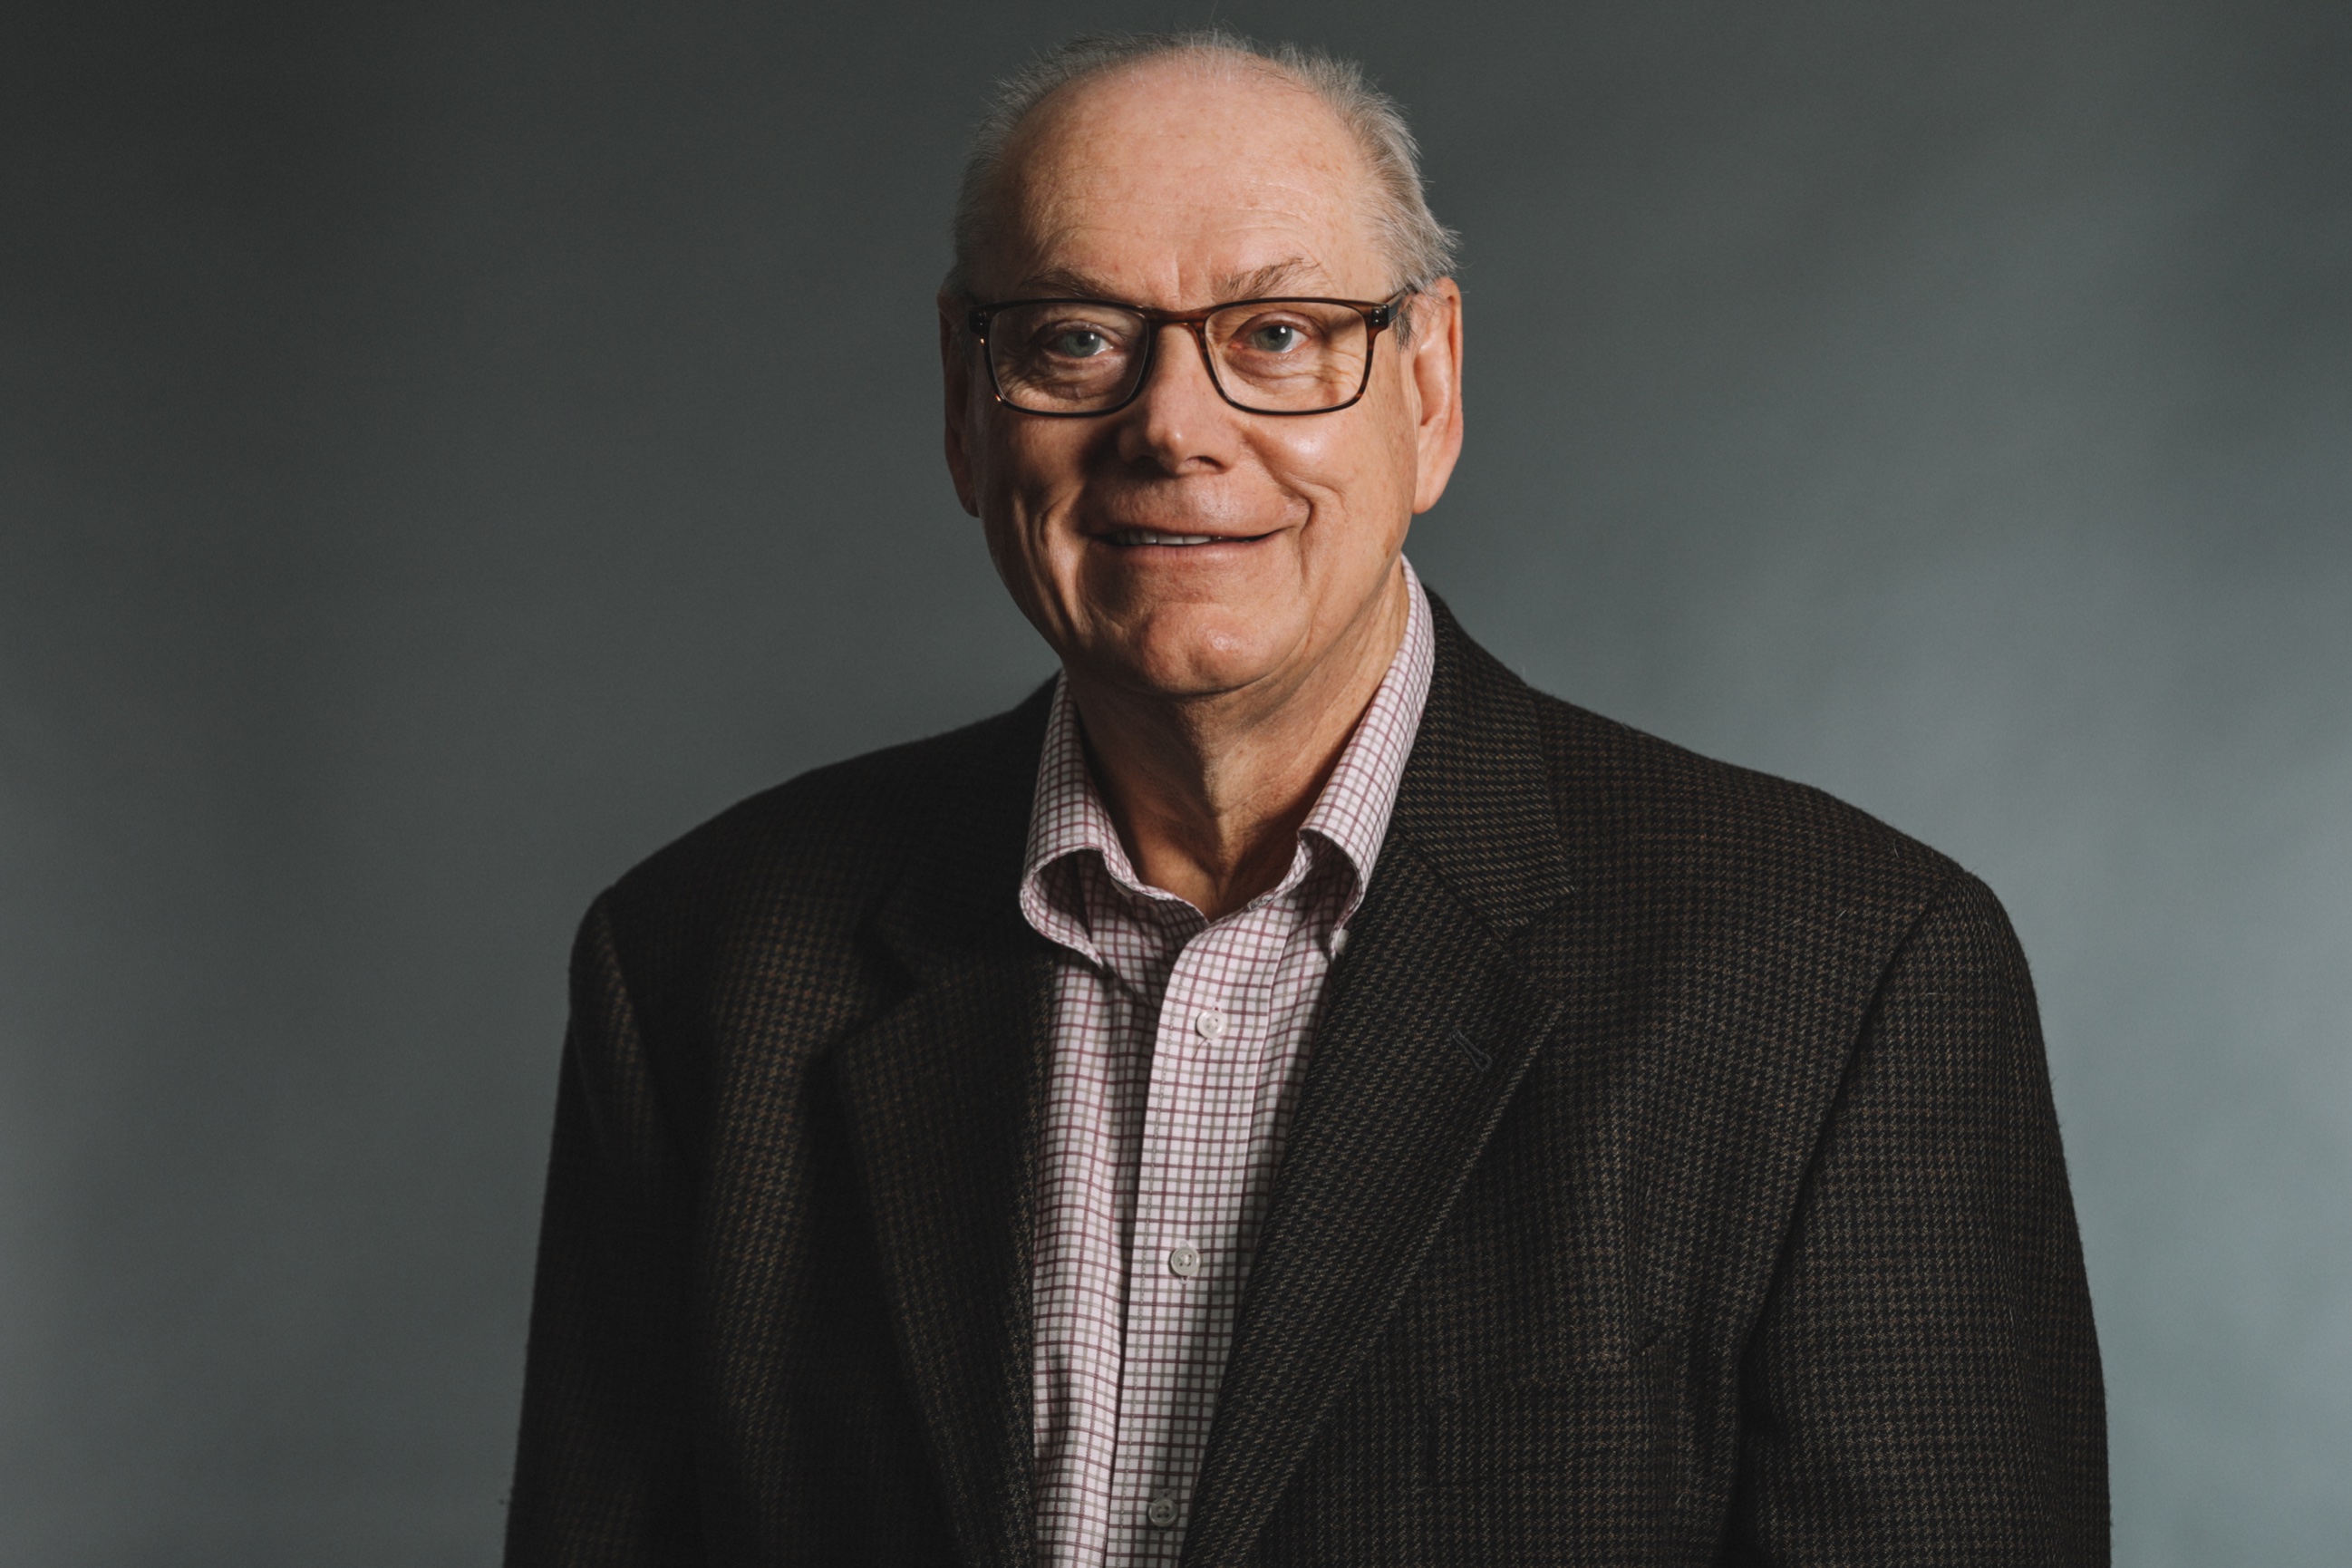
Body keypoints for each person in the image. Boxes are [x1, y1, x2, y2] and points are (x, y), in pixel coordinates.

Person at [504, 30, 2106, 1568]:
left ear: (1430, 387)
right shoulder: (702, 967)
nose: (1175, 428)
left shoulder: (1846, 974)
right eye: (1075, 335)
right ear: (963, 399)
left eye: (1279, 336)